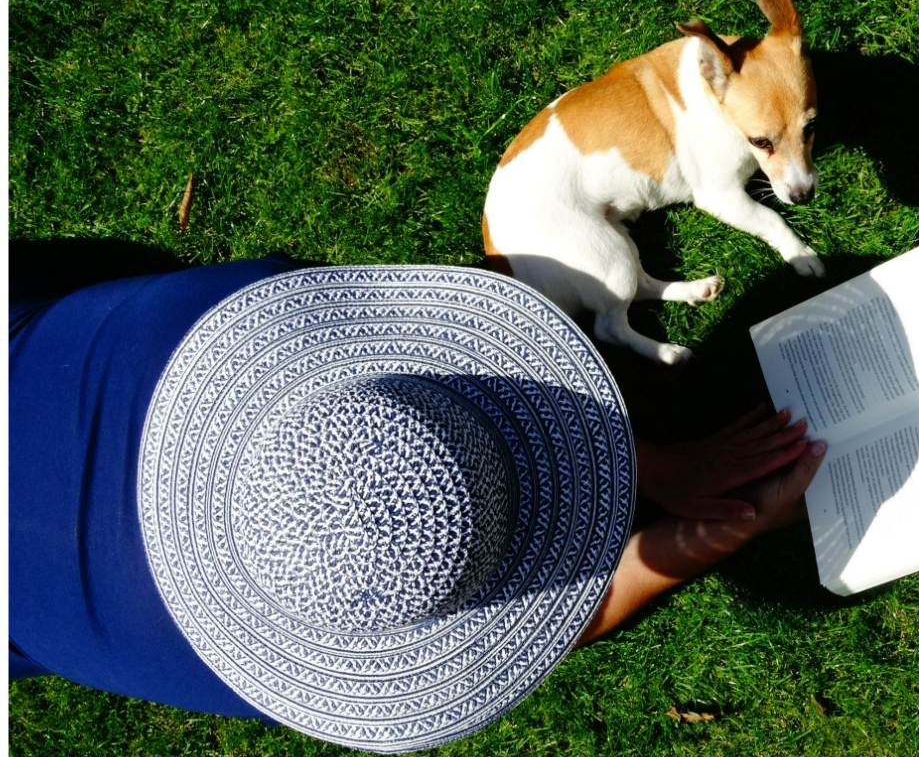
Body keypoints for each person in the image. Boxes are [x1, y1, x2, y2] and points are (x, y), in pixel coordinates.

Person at [9, 251, 825, 752]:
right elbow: (544, 622)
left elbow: (526, 621)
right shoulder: (240, 309)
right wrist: (705, 534)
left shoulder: (226, 307)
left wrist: (650, 470)